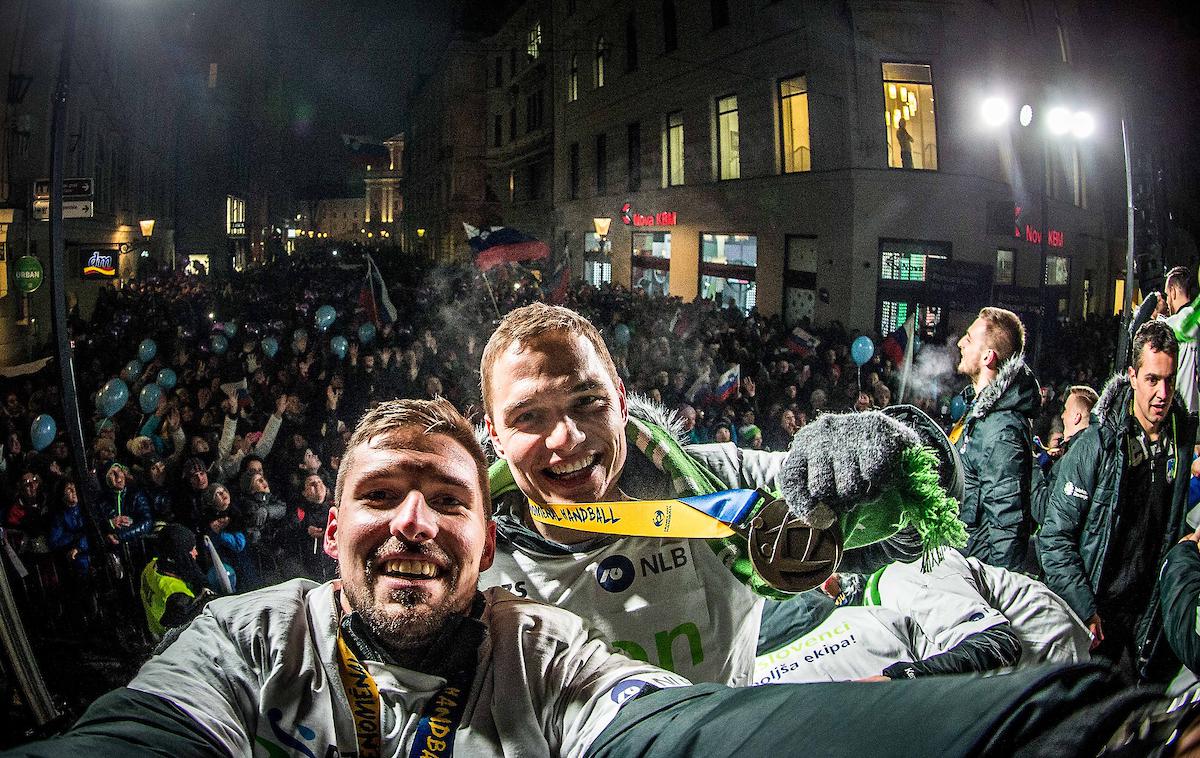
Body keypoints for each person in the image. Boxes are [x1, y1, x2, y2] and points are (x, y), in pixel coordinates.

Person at [21, 398, 688, 756]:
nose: (414, 521)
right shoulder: (243, 641)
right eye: (381, 495)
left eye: (450, 501)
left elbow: (675, 730)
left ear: (487, 548)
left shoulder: (543, 657)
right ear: (333, 533)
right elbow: (145, 730)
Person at [479, 303, 947, 685]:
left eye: (588, 402)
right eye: (528, 417)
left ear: (622, 402)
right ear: (494, 436)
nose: (567, 438)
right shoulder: (465, 548)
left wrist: (891, 451)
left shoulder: (721, 481)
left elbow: (910, 521)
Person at [1040, 320, 1195, 681]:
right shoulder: (1096, 446)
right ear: (1132, 376)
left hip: (1147, 616)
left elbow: (1161, 524)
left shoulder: (1181, 442)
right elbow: (1054, 537)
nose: (1162, 392)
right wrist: (1084, 606)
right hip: (1096, 617)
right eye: (1152, 379)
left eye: (1169, 380)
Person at [952, 306, 1039, 571]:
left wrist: (997, 592)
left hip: (976, 576)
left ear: (988, 356)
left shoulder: (1002, 430)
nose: (960, 343)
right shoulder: (979, 414)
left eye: (969, 338)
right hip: (959, 566)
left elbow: (1007, 526)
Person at [1031, 384, 1099, 526]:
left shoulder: (1074, 457)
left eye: (1066, 410)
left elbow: (1044, 510)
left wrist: (1032, 465)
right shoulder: (1094, 451)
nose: (1062, 415)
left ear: (1076, 417)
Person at [1159, 266, 1198, 415]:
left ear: (1173, 291)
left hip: (1182, 410)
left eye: (1167, 294)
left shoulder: (1173, 325)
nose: (1167, 301)